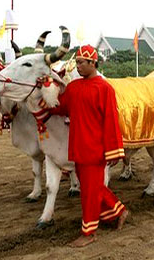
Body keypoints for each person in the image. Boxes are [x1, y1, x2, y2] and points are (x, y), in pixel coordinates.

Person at [50, 45, 128, 247]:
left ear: (93, 63)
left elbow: (111, 120)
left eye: (81, 63)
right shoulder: (73, 88)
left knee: (90, 192)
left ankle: (89, 232)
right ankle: (118, 210)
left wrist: (114, 151)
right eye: (76, 63)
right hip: (78, 147)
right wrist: (41, 100)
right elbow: (60, 107)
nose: (78, 67)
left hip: (96, 150)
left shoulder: (105, 89)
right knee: (90, 188)